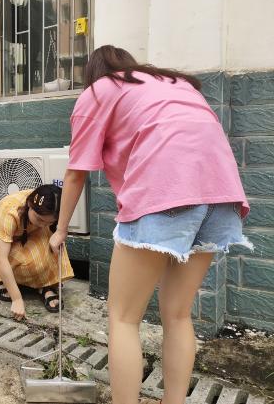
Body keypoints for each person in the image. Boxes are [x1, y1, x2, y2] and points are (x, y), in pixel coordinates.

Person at [49, 45, 252, 404]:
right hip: (221, 195)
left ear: (93, 74)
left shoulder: (98, 91)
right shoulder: (173, 83)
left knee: (124, 319)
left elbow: (76, 174)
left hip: (165, 191)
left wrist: (61, 230)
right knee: (178, 315)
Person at [0, 184, 74, 321]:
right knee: (25, 262)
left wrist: (52, 234)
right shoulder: (11, 212)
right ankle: (3, 280)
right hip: (2, 240)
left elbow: (49, 228)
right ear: (30, 205)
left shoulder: (46, 211)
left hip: (29, 231)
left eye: (49, 222)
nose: (43, 225)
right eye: (39, 219)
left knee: (52, 250)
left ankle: (46, 284)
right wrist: (17, 299)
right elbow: (1, 258)